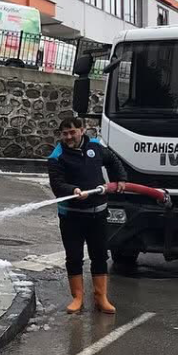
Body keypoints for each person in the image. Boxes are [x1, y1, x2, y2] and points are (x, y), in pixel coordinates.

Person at [47, 117, 127, 314]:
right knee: (73, 256)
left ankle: (101, 298)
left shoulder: (96, 147)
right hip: (71, 216)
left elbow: (113, 161)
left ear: (82, 130)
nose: (68, 137)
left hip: (98, 214)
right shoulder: (57, 156)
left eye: (72, 132)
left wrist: (121, 179)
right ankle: (78, 297)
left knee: (99, 255)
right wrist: (73, 190)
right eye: (64, 134)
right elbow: (57, 185)